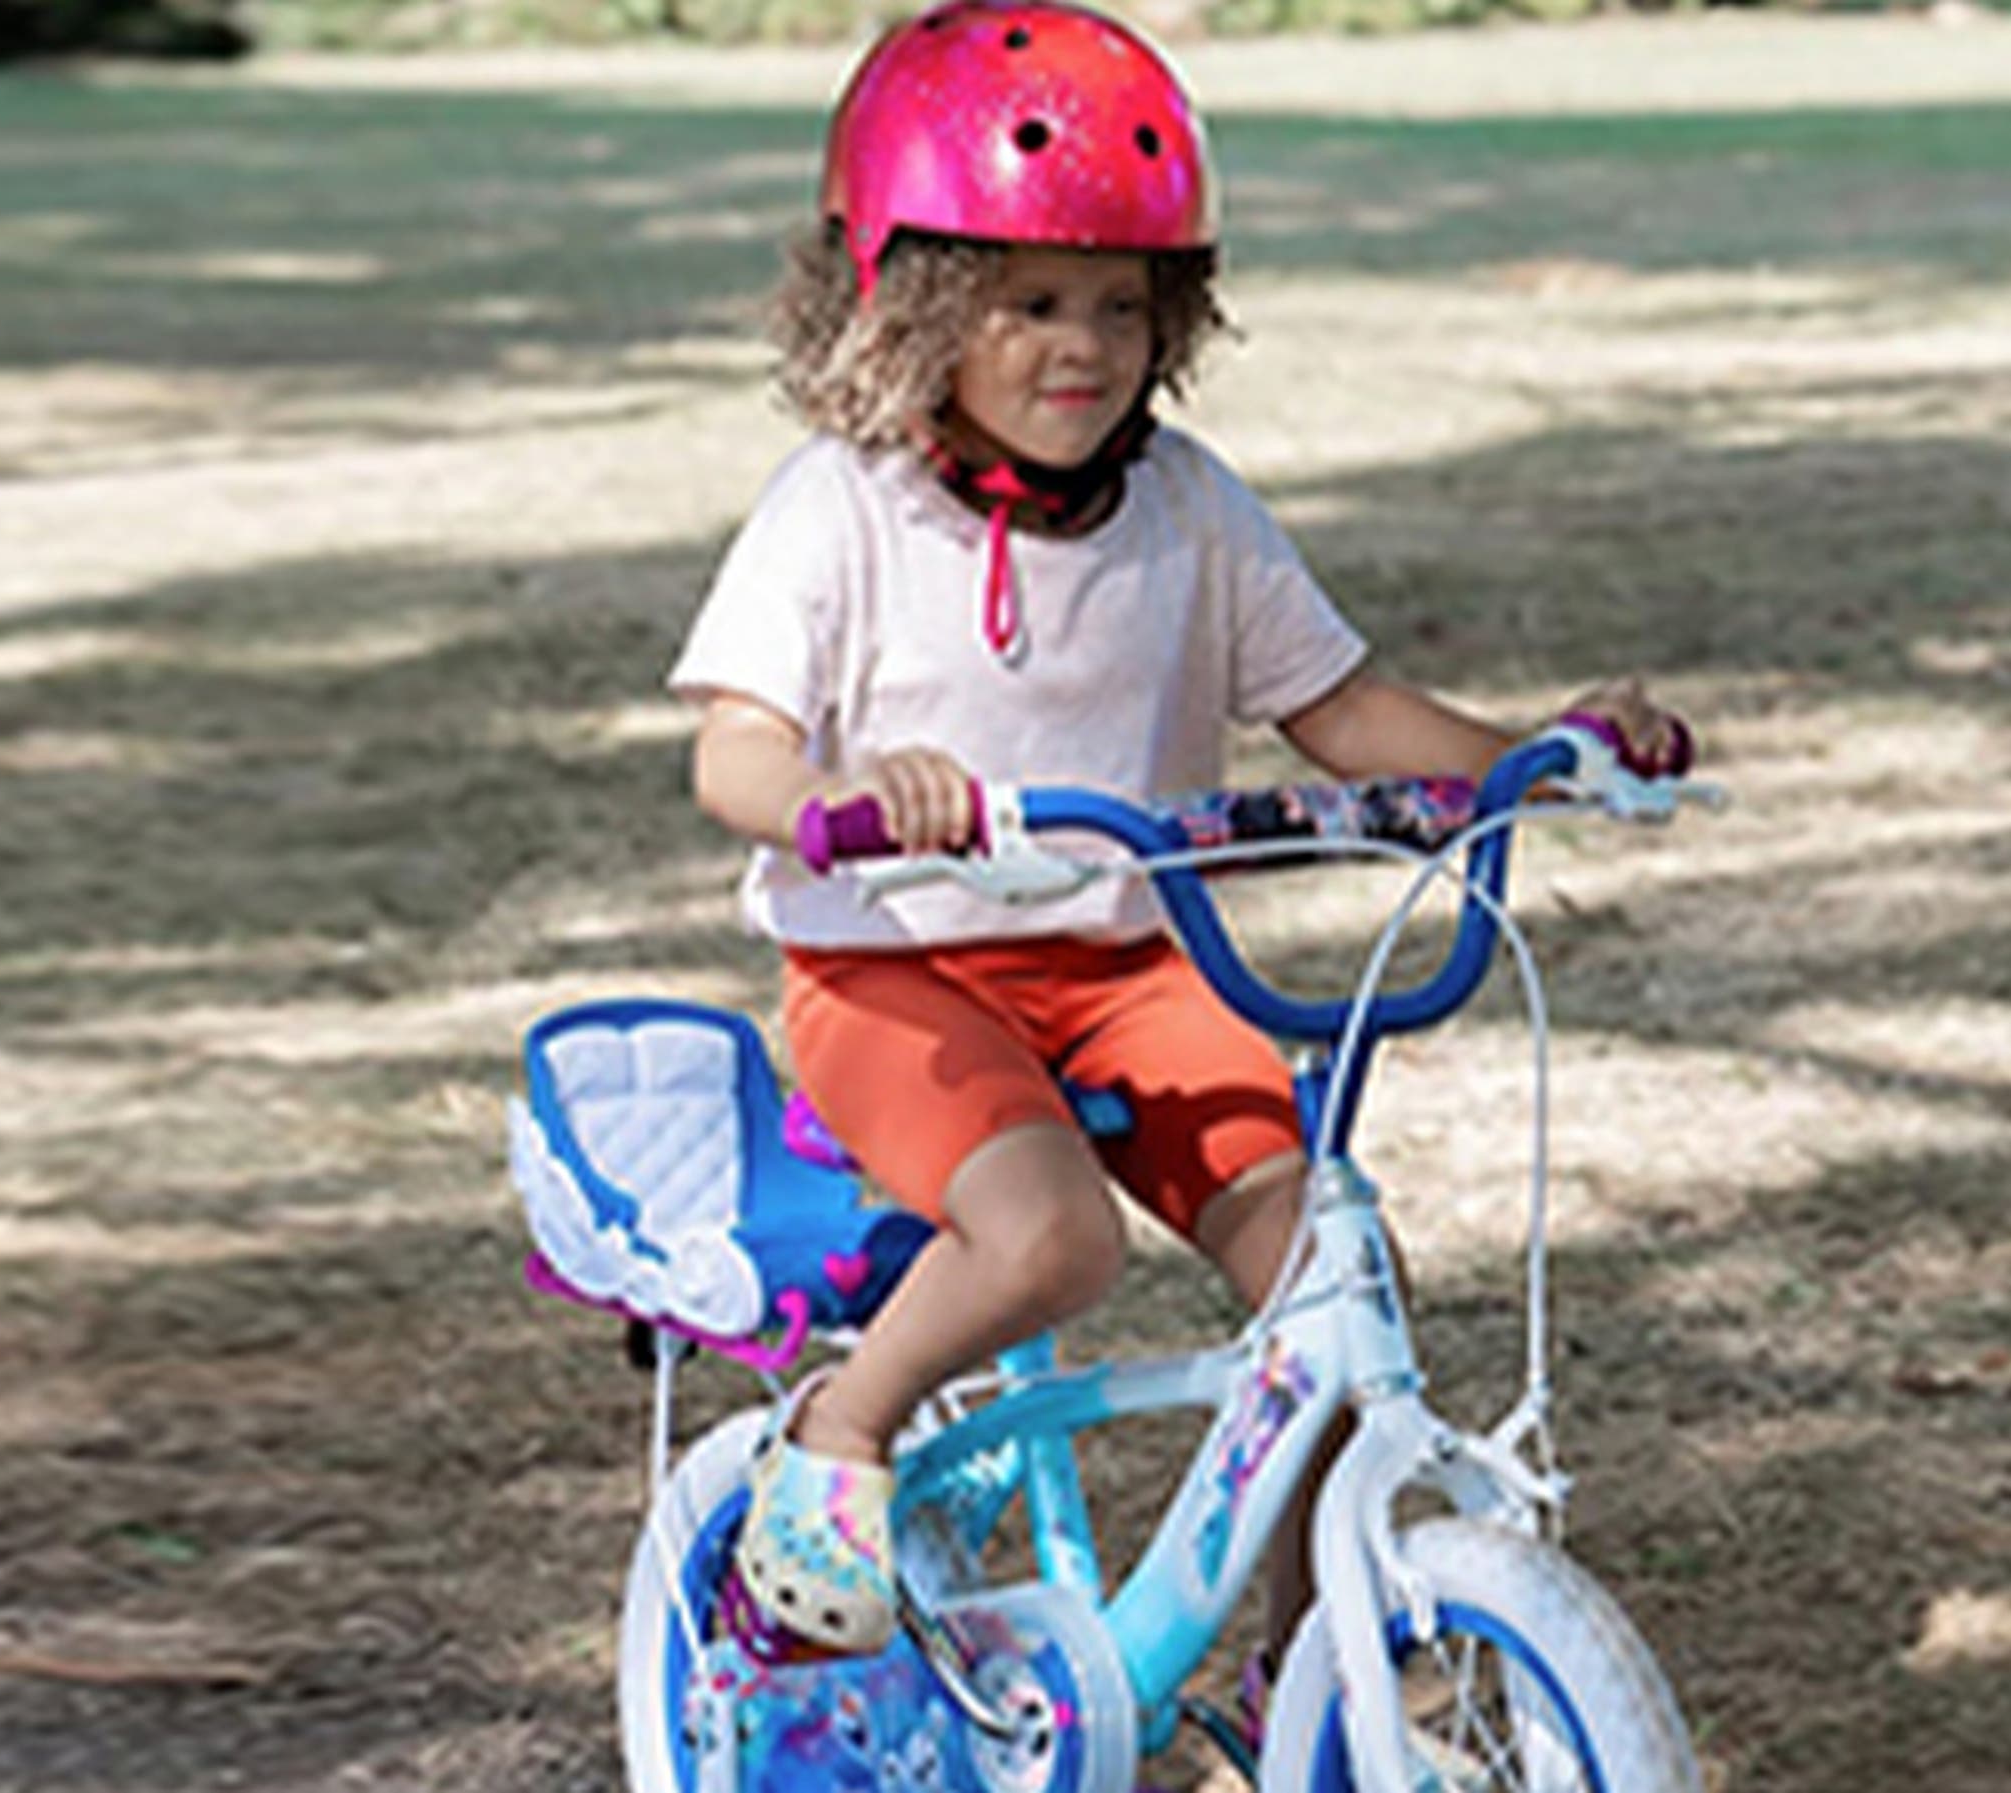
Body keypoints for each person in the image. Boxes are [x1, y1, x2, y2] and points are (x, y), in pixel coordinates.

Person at [663, 0, 1681, 1661]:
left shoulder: (1189, 508)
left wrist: (1537, 754)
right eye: (1032, 303)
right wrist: (848, 806)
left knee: (1333, 1272)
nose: (1085, 345)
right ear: (911, 305)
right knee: (1051, 1239)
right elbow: (738, 757)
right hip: (898, 974)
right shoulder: (838, 510)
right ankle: (837, 1432)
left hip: (1130, 958)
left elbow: (1342, 712)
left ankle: (1321, 1666)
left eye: (1123, 306)